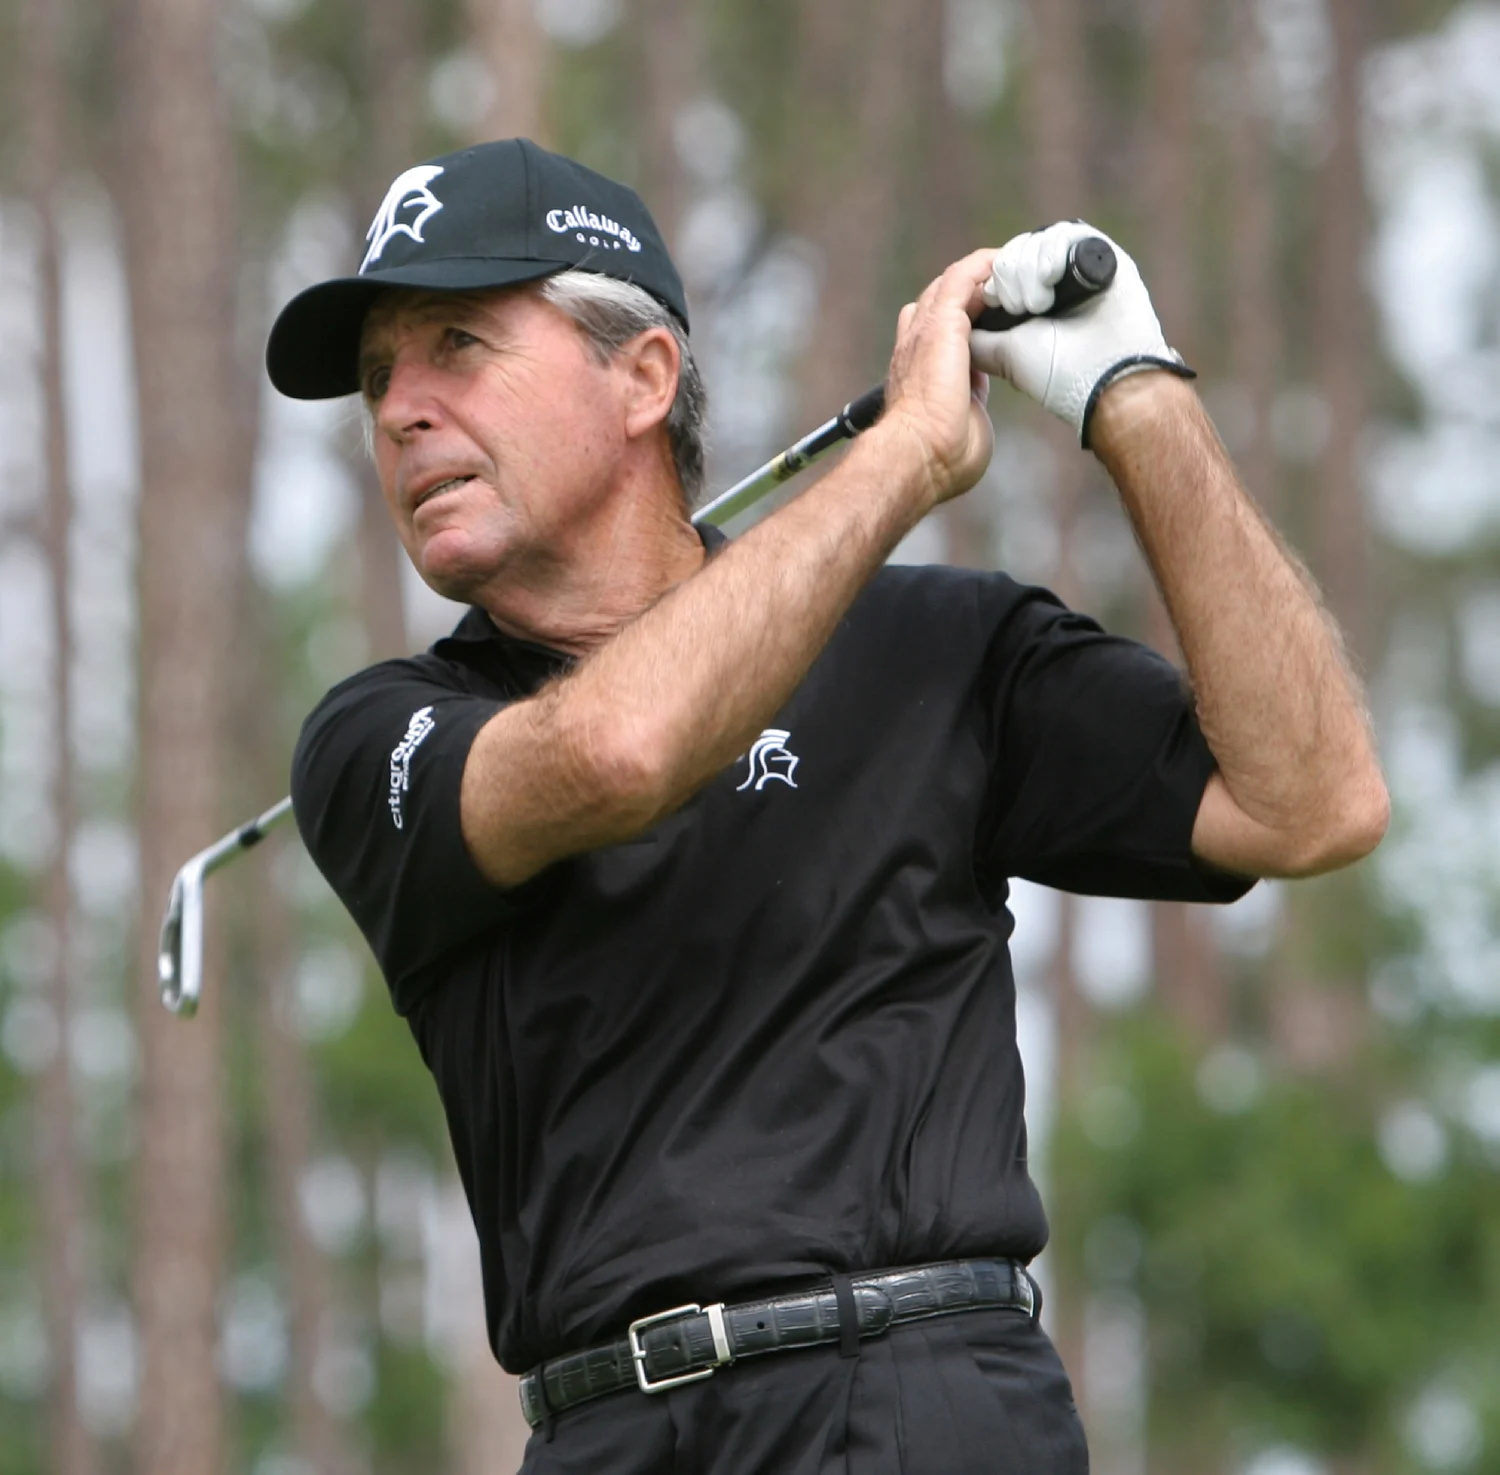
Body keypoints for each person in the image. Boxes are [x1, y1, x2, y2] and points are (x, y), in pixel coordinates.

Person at [269, 138, 1388, 1474]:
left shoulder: (938, 647)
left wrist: (1135, 399)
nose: (400, 408)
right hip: (609, 1430)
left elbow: (1312, 799)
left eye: (456, 343)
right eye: (381, 375)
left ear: (644, 377)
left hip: (927, 1399)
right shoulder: (380, 739)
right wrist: (907, 453)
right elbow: (624, 750)